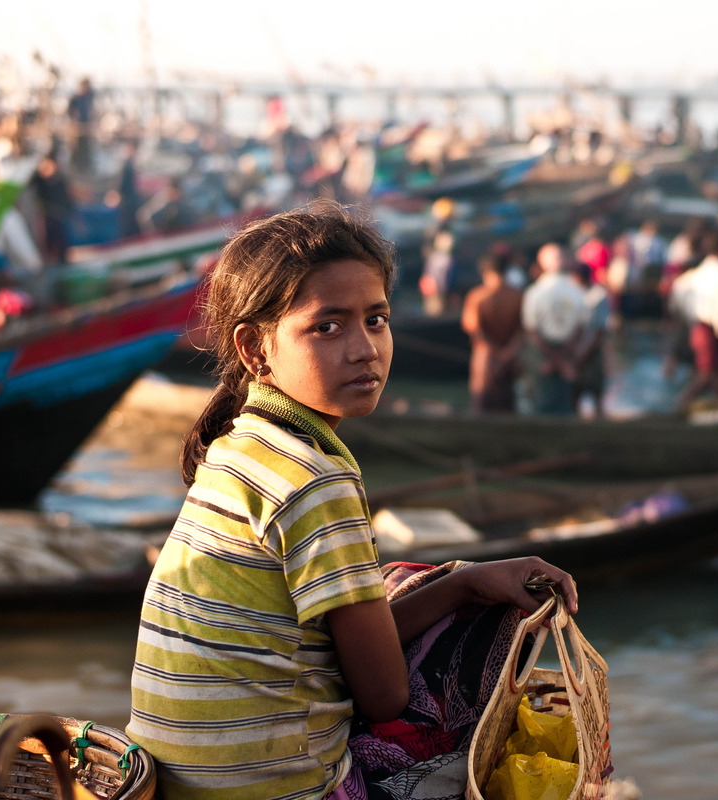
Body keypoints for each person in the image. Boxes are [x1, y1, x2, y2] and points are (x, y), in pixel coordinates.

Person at [127, 202, 578, 800]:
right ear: (256, 351)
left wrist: (467, 580)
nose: (365, 348)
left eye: (376, 319)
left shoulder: (236, 446)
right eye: (327, 326)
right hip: (285, 788)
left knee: (405, 583)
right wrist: (461, 590)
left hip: (176, 782)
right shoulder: (315, 478)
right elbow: (385, 695)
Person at [520, 243, 588, 415]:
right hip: (569, 352)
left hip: (542, 355)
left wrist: (552, 358)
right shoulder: (578, 291)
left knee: (542, 402)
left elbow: (531, 330)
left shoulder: (534, 292)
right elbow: (581, 328)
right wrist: (562, 358)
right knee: (566, 403)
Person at [670, 229, 718, 411]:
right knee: (708, 375)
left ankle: (717, 409)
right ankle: (680, 407)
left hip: (697, 327)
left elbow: (679, 291)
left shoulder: (700, 271)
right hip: (710, 330)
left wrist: (687, 315)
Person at [461, 249, 524, 414]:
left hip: (486, 360)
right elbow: (522, 331)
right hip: (511, 359)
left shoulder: (477, 296)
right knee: (509, 408)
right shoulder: (517, 296)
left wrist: (495, 353)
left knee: (482, 407)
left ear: (485, 271)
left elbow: (475, 331)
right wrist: (507, 354)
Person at [570, 261, 611, 417]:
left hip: (590, 351)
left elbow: (600, 330)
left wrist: (582, 353)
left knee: (595, 393)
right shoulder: (577, 293)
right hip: (578, 350)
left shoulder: (597, 295)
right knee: (576, 394)